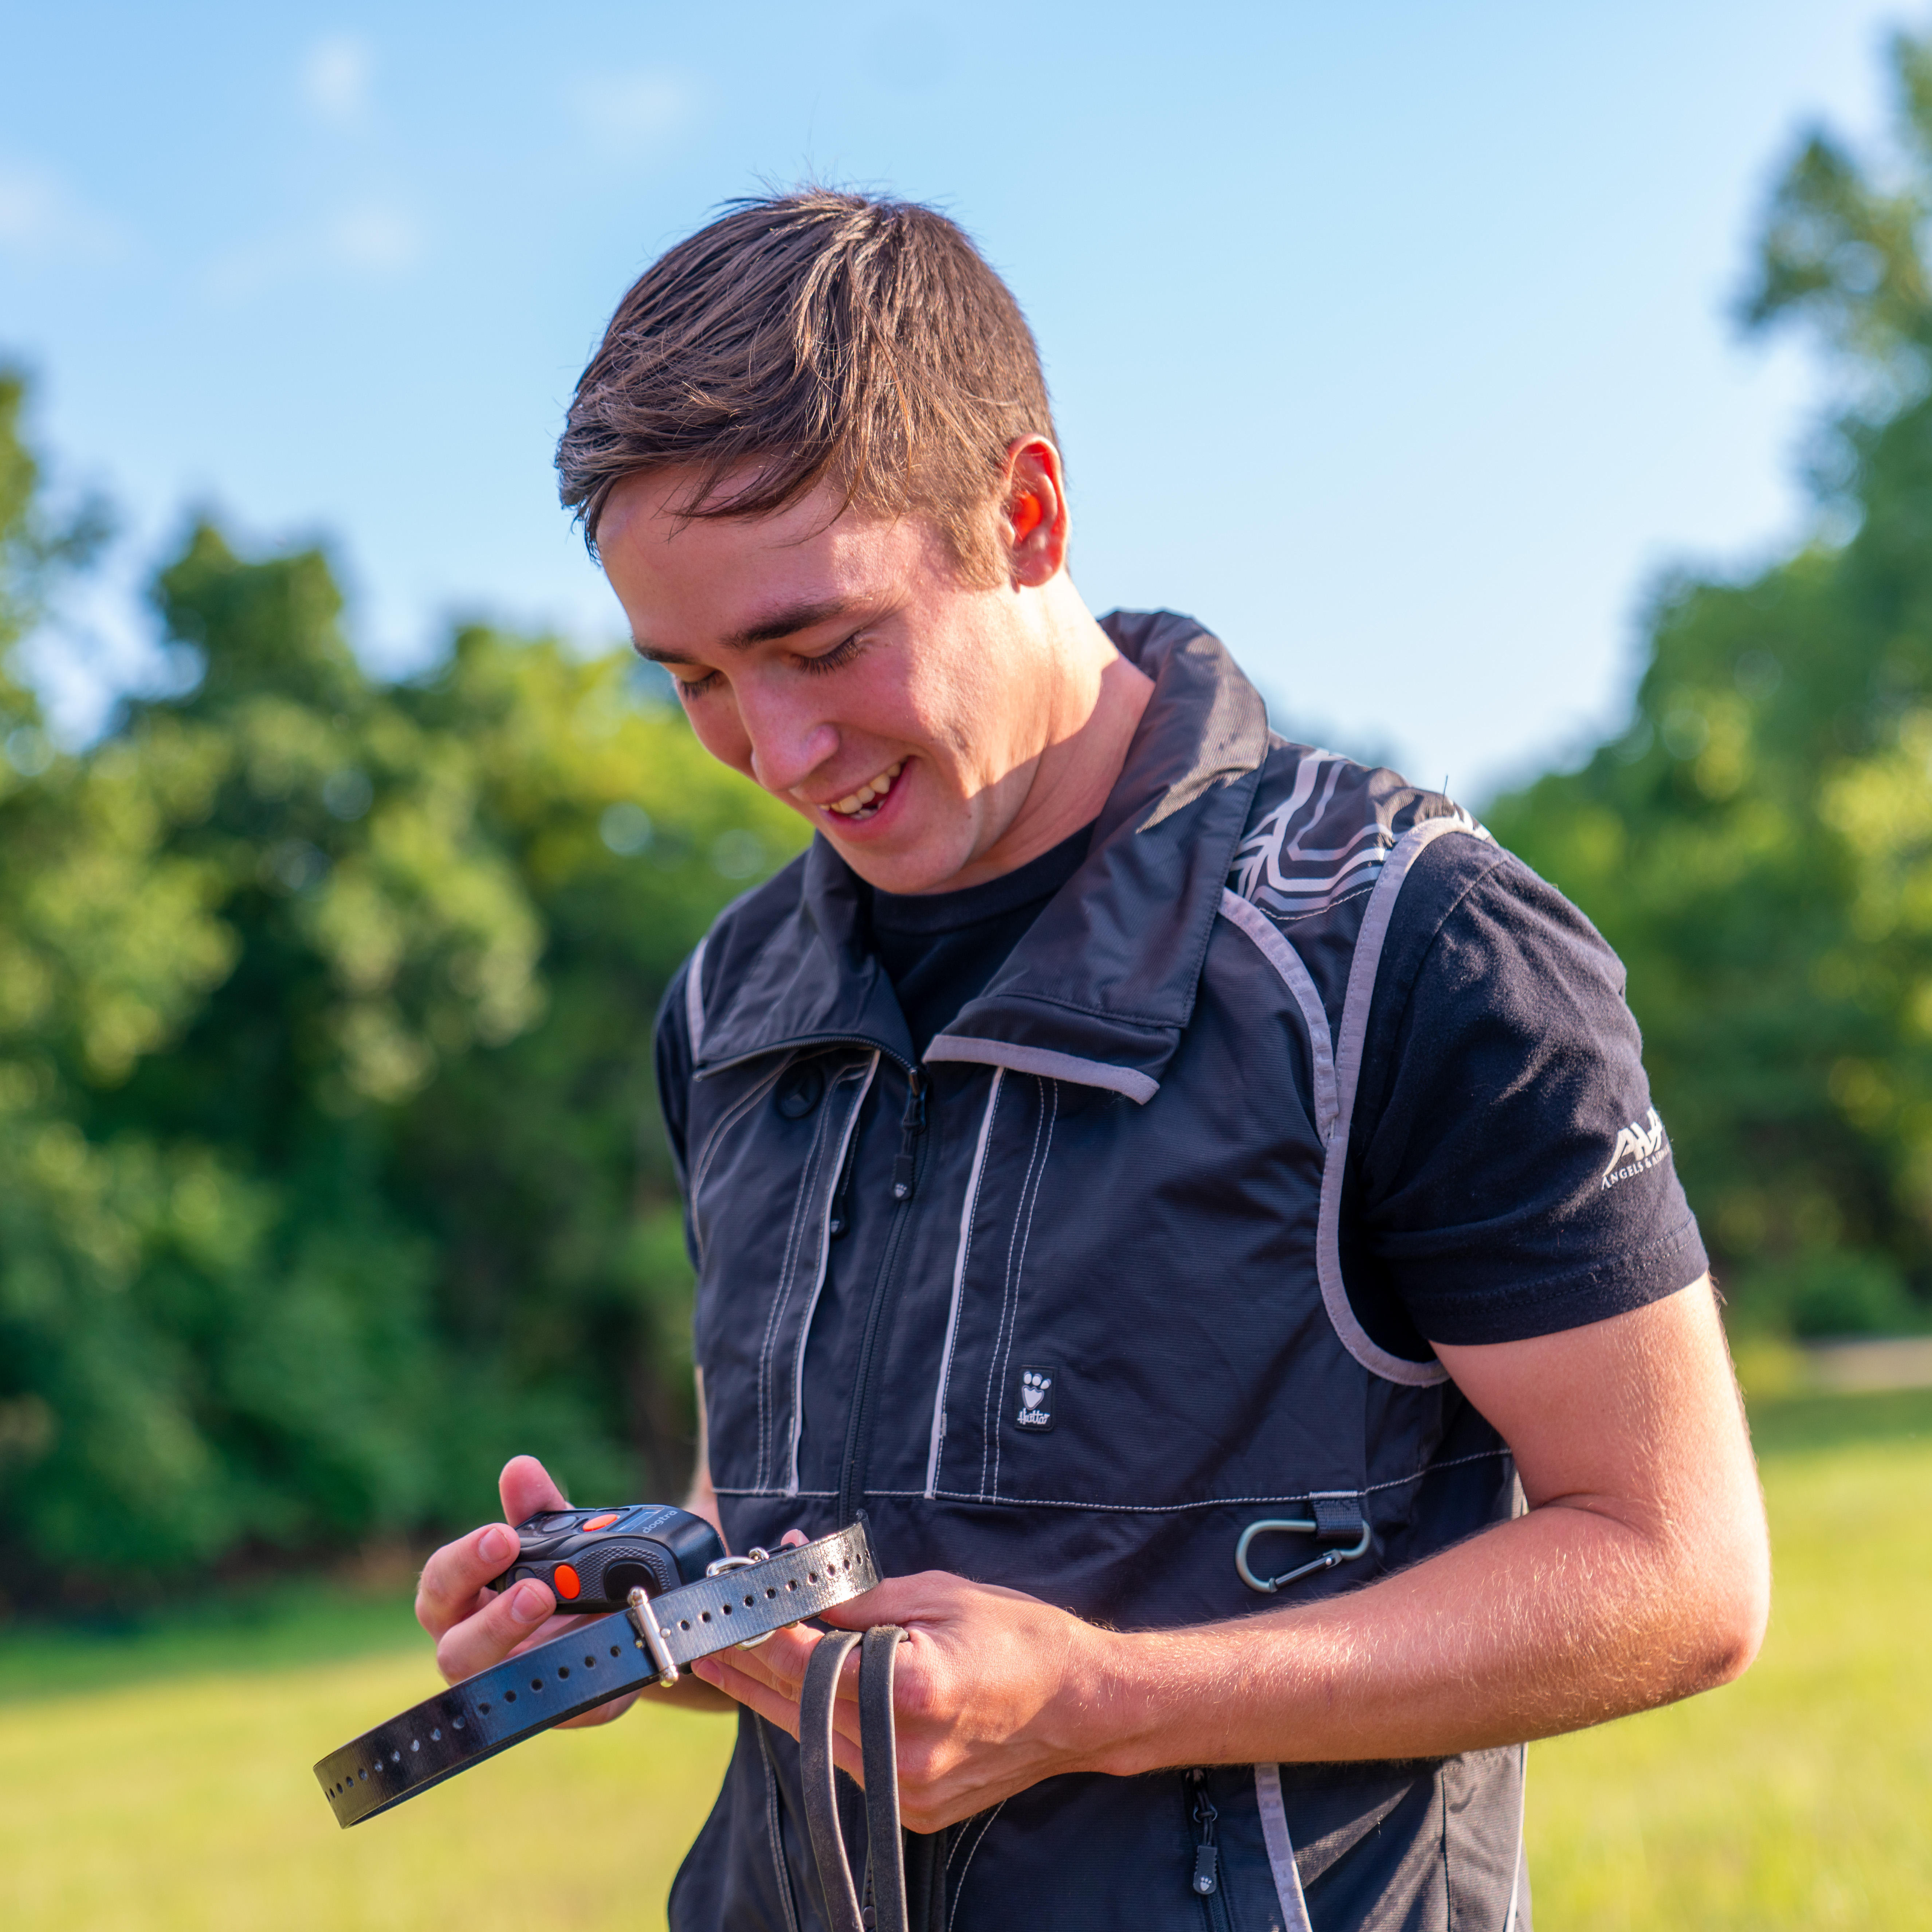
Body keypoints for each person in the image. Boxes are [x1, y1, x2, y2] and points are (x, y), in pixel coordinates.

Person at [414, 191, 1770, 1931]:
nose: (778, 748)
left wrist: (1103, 1705)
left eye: (821, 643)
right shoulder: (728, 1004)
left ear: (1026, 512)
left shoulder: (1412, 944)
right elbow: (762, 1522)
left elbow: (1682, 1571)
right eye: (693, 680)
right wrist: (648, 1630)